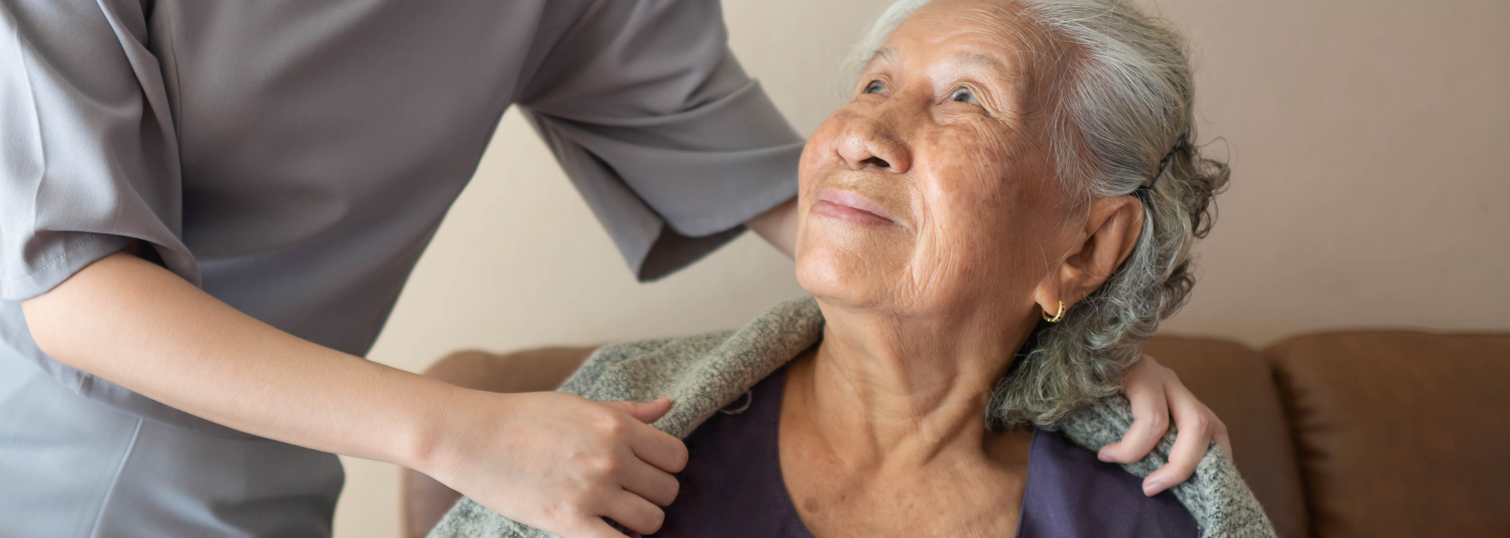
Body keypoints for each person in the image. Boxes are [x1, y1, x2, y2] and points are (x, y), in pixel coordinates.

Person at [0, 1, 1232, 537]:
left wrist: (1081, 323)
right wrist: (459, 430)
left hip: (244, 494)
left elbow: (807, 186)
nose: (889, 113)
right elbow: (63, 278)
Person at [430, 0, 1271, 536]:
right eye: (873, 84)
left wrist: (1096, 352)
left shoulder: (1152, 512)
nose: (863, 134)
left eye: (966, 98)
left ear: (1086, 247)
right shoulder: (620, 424)